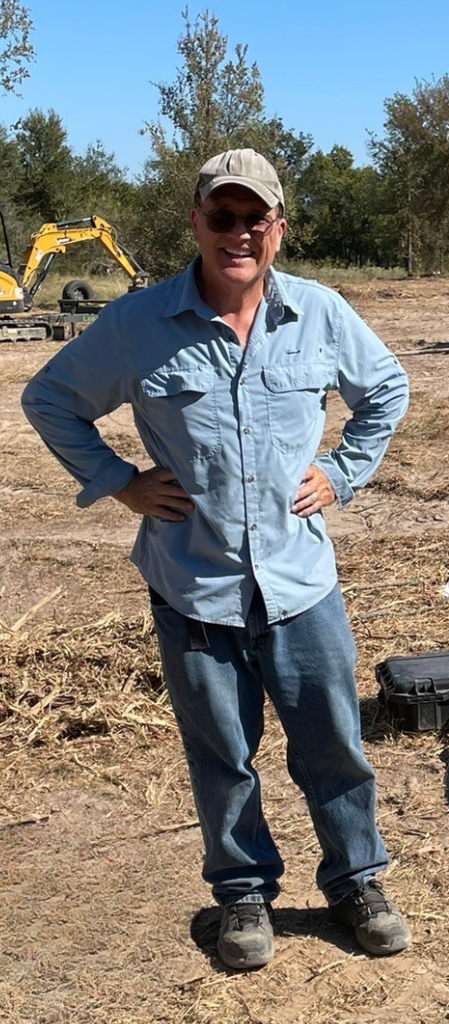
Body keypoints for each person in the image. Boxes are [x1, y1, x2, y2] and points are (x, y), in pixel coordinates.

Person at [21, 149, 411, 971]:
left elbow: (385, 390)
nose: (239, 233)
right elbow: (49, 398)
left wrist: (341, 472)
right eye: (222, 217)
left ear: (278, 229)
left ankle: (357, 883)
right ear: (196, 223)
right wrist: (119, 483)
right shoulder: (137, 324)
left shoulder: (319, 312)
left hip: (300, 585)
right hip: (193, 584)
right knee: (222, 757)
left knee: (334, 746)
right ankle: (242, 894)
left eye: (253, 219)